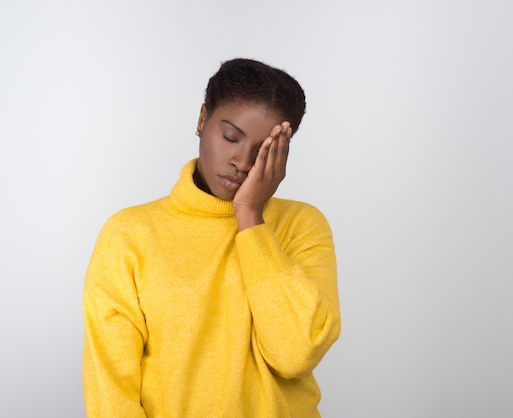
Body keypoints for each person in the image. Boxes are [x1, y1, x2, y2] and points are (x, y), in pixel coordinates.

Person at [83, 58, 341, 417]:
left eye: (264, 149)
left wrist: (250, 217)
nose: (242, 161)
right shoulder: (130, 234)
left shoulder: (301, 225)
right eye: (231, 137)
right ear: (202, 119)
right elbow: (111, 390)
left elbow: (295, 355)